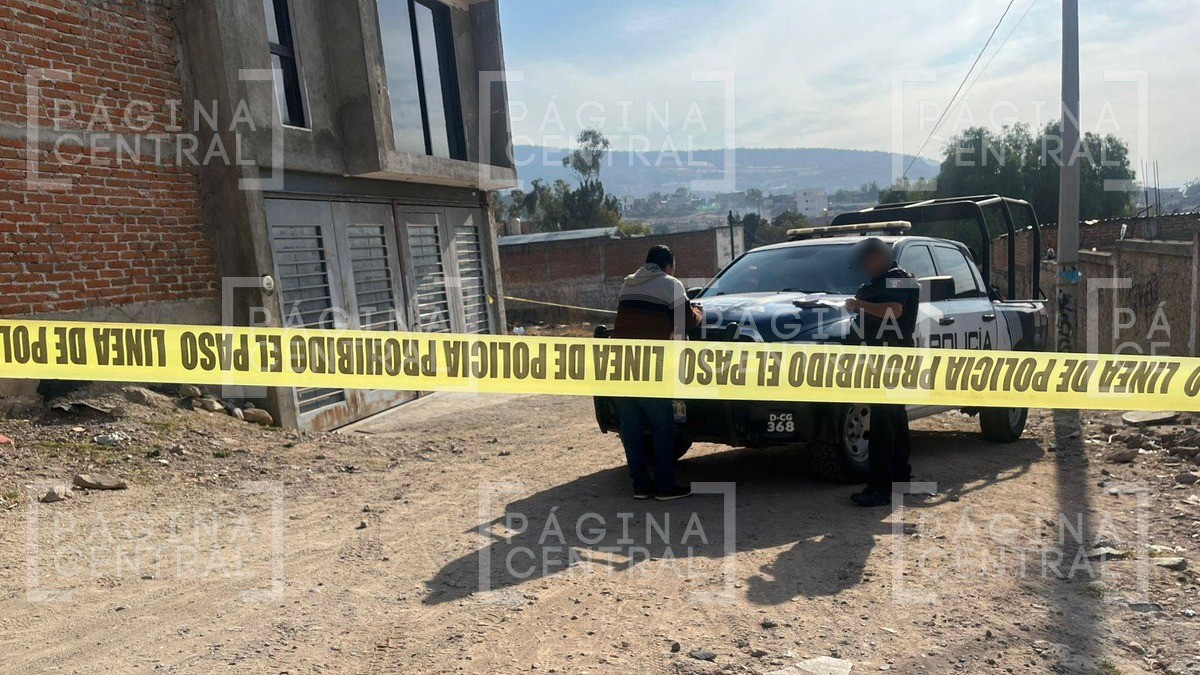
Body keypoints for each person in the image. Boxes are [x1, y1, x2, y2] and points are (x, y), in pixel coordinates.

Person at [611, 245, 703, 501]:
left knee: (631, 428)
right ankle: (664, 486)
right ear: (668, 266)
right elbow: (686, 321)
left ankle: (640, 486)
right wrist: (699, 312)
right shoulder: (670, 284)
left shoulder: (627, 285)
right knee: (663, 427)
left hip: (620, 367)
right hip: (649, 367)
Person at [843, 238, 920, 508]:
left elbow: (895, 310)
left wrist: (857, 306)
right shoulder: (877, 282)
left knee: (883, 426)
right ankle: (898, 479)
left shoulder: (900, 279)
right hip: (881, 357)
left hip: (892, 359)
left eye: (867, 263)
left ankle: (881, 488)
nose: (865, 269)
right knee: (894, 420)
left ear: (879, 258)